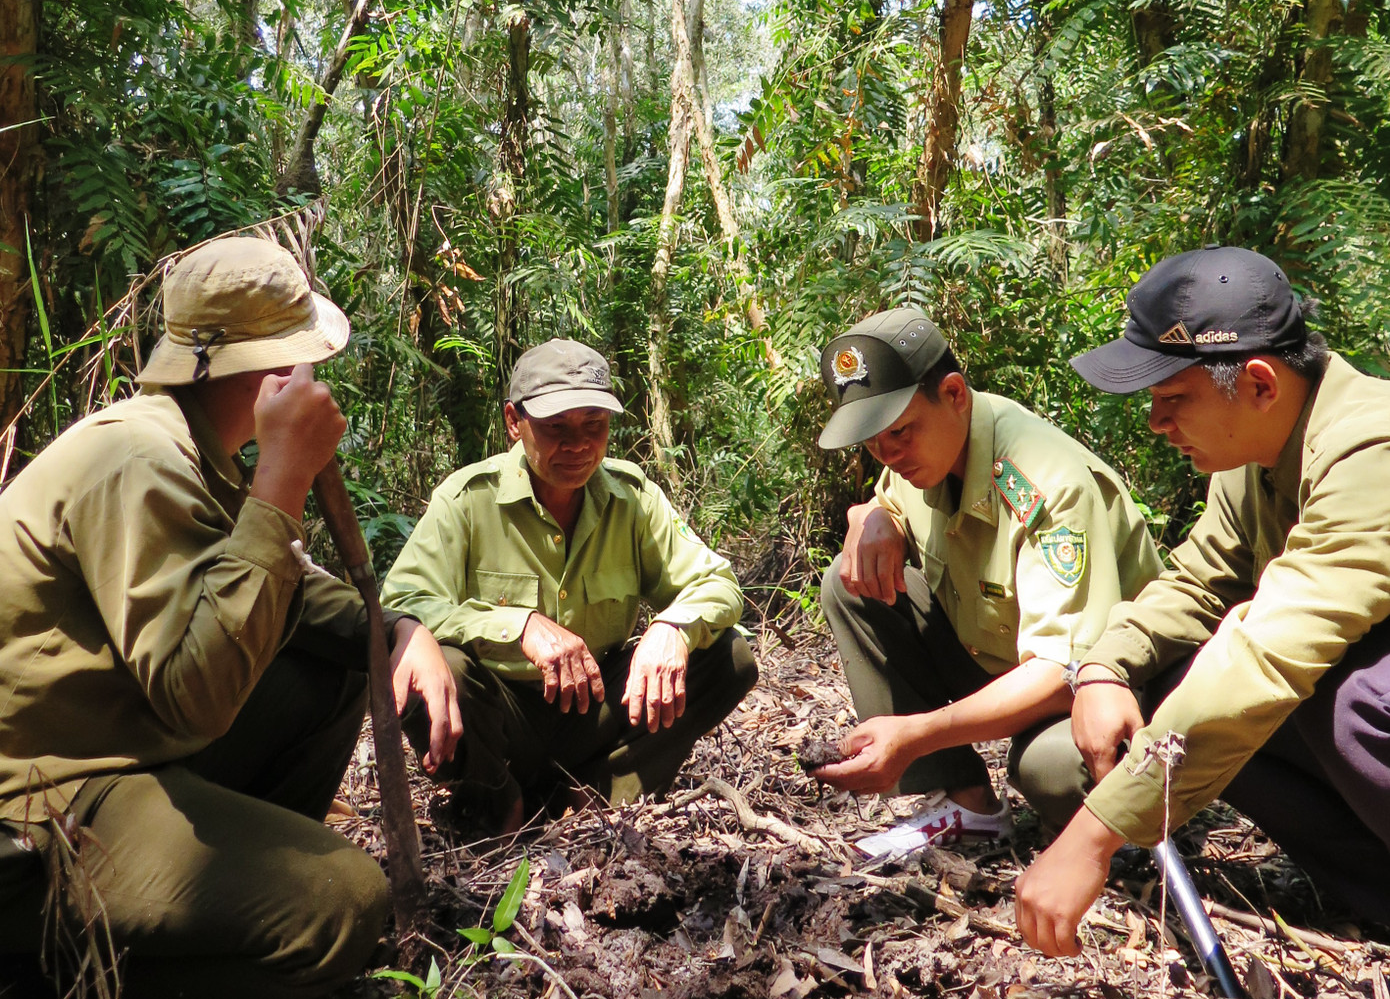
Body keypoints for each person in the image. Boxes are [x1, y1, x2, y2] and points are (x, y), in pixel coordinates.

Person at [0, 234, 461, 999]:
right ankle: (45, 988)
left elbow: (297, 602)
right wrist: (283, 478)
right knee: (343, 906)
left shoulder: (195, 452)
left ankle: (215, 911)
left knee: (341, 660)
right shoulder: (139, 459)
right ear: (275, 370)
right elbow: (193, 698)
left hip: (126, 757)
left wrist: (399, 629)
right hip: (41, 810)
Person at [1017, 246, 1390, 955]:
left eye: (1173, 397)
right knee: (1176, 674)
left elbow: (1266, 657)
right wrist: (1105, 666)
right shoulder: (1259, 453)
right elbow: (1196, 584)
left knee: (1343, 695)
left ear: (1256, 383)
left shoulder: (1371, 446)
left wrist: (1095, 833)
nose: (1157, 422)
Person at [811, 307, 1162, 845]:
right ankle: (966, 805)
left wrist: (916, 734)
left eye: (899, 432)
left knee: (1051, 768)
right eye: (872, 439)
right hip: (997, 658)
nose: (887, 453)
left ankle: (1119, 825)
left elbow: (1063, 669)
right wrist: (873, 515)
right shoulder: (922, 453)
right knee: (848, 580)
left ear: (954, 394)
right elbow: (891, 499)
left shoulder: (1044, 481)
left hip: (1104, 685)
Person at [381, 339, 757, 831]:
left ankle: (599, 798)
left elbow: (717, 582)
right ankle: (496, 801)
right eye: (556, 428)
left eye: (593, 426)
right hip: (499, 715)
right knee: (429, 661)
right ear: (515, 423)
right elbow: (402, 603)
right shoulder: (467, 500)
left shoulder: (633, 500)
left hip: (594, 712)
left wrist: (672, 628)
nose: (577, 445)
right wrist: (519, 627)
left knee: (727, 656)